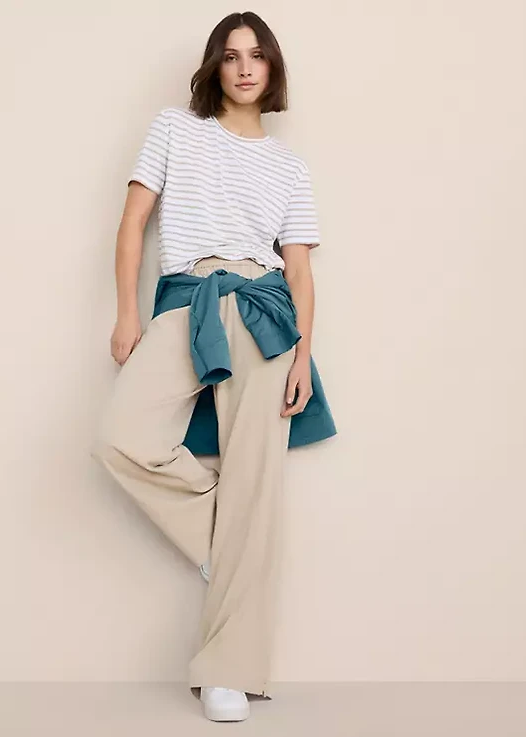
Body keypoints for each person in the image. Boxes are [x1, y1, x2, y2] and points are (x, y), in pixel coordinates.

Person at [91, 10, 336, 723]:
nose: (244, 67)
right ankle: (222, 545)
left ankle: (228, 672)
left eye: (257, 55)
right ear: (214, 66)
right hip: (189, 298)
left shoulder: (289, 167)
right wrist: (127, 313)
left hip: (265, 313)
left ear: (272, 67)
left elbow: (299, 271)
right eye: (231, 56)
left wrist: (304, 353)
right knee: (120, 436)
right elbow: (133, 222)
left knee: (258, 481)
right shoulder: (175, 128)